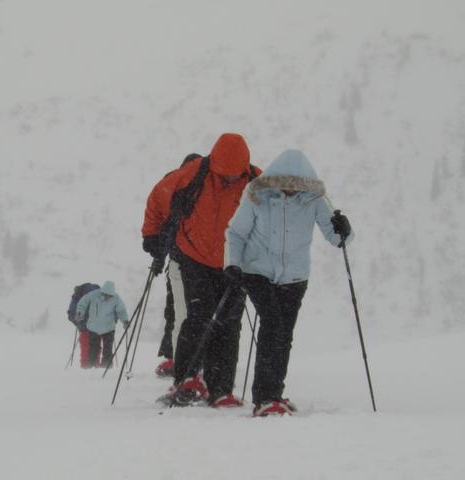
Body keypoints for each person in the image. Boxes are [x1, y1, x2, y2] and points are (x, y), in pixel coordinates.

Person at [224, 149, 353, 416]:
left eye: (297, 184)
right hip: (257, 270)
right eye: (284, 183)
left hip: (295, 277)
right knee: (272, 326)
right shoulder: (256, 195)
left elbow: (337, 238)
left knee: (284, 335)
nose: (290, 190)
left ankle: (274, 394)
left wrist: (344, 229)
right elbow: (235, 233)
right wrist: (232, 263)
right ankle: (264, 398)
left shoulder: (314, 199)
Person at [142, 133, 260, 407]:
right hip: (194, 257)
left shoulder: (256, 181)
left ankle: (221, 389)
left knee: (229, 324)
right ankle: (186, 379)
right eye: (223, 175)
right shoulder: (192, 175)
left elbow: (276, 213)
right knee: (197, 317)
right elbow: (158, 198)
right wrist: (152, 235)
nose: (229, 179)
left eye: (234, 175)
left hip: (235, 263)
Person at [154, 153, 201, 378]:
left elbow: (168, 228)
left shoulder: (176, 188)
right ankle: (194, 360)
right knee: (192, 312)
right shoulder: (198, 189)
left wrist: (159, 257)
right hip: (196, 262)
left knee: (177, 311)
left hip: (179, 260)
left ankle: (176, 357)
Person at [75, 281, 129, 369]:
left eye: (109, 296)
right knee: (93, 349)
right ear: (102, 291)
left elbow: (121, 311)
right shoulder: (93, 295)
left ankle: (106, 368)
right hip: (94, 327)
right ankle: (91, 368)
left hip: (109, 328)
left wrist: (125, 321)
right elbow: (82, 303)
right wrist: (80, 313)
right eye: (105, 295)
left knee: (108, 350)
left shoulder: (116, 298)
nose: (107, 297)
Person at [67, 282, 100, 369]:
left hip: (84, 327)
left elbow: (71, 313)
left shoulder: (78, 295)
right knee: (96, 347)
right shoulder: (99, 293)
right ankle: (96, 368)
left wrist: (79, 324)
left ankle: (86, 368)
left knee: (85, 347)